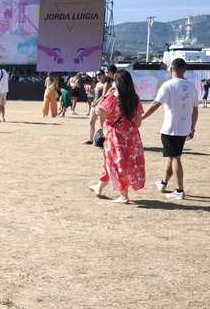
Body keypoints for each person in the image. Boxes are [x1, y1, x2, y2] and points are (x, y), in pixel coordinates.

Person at [140, 57, 199, 201]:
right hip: (184, 128)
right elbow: (195, 111)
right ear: (185, 70)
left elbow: (156, 103)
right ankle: (163, 183)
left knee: (175, 158)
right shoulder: (192, 87)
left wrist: (142, 117)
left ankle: (179, 190)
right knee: (172, 156)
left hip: (170, 128)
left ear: (171, 69)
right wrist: (192, 128)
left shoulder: (168, 85)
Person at [88, 69, 145, 204]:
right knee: (113, 162)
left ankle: (123, 195)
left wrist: (106, 95)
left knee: (116, 162)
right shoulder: (135, 98)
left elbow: (98, 111)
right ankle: (99, 188)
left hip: (115, 135)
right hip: (132, 136)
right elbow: (138, 122)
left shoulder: (113, 97)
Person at [83, 69, 107, 143]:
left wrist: (96, 103)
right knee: (91, 122)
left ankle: (103, 141)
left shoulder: (105, 84)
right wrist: (90, 91)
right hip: (95, 104)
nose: (98, 76)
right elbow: (96, 96)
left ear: (103, 75)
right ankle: (90, 139)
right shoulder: (97, 84)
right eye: (96, 75)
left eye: (99, 74)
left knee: (102, 125)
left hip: (101, 106)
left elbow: (104, 96)